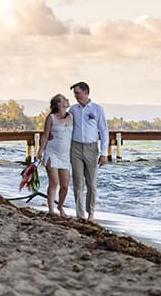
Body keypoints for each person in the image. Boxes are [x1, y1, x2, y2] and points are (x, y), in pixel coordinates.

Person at [69, 81, 108, 222]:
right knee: (78, 182)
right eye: (74, 94)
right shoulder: (73, 109)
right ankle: (80, 215)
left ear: (85, 92)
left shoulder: (97, 109)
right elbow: (65, 127)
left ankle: (91, 213)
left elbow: (104, 131)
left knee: (91, 183)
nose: (75, 96)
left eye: (77, 93)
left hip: (92, 148)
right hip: (75, 147)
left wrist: (104, 153)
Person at [36, 94, 73, 216]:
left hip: (65, 156)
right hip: (52, 153)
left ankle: (60, 206)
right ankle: (51, 210)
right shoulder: (51, 118)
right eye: (64, 99)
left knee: (65, 186)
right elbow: (45, 136)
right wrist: (40, 152)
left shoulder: (72, 117)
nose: (67, 100)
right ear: (58, 104)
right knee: (54, 182)